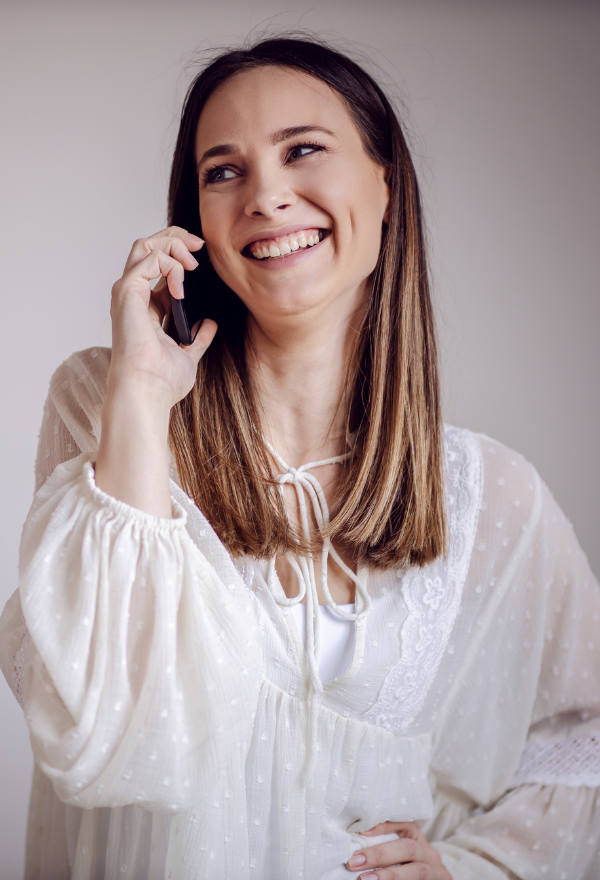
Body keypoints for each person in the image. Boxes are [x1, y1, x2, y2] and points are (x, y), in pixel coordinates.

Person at [1, 36, 599, 880]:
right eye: (224, 170)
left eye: (303, 151)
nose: (267, 196)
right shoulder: (107, 403)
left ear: (385, 184)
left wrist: (472, 868)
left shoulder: (486, 493)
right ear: (195, 219)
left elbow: (583, 742)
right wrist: (139, 391)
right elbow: (99, 732)